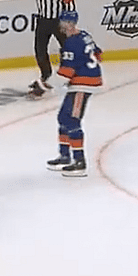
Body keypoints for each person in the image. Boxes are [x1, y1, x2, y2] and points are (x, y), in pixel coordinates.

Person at [46, 10, 102, 177]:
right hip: (82, 82)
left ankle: (79, 162)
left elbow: (66, 72)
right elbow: (98, 54)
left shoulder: (71, 43)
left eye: (63, 22)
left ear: (69, 24)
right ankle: (65, 156)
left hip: (83, 85)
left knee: (72, 120)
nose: (61, 25)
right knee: (63, 117)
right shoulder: (84, 35)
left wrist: (45, 85)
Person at [11, 0, 75, 100]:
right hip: (43, 21)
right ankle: (46, 76)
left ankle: (71, 75)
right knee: (40, 50)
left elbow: (69, 1)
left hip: (58, 21)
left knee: (67, 48)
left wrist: (68, 21)